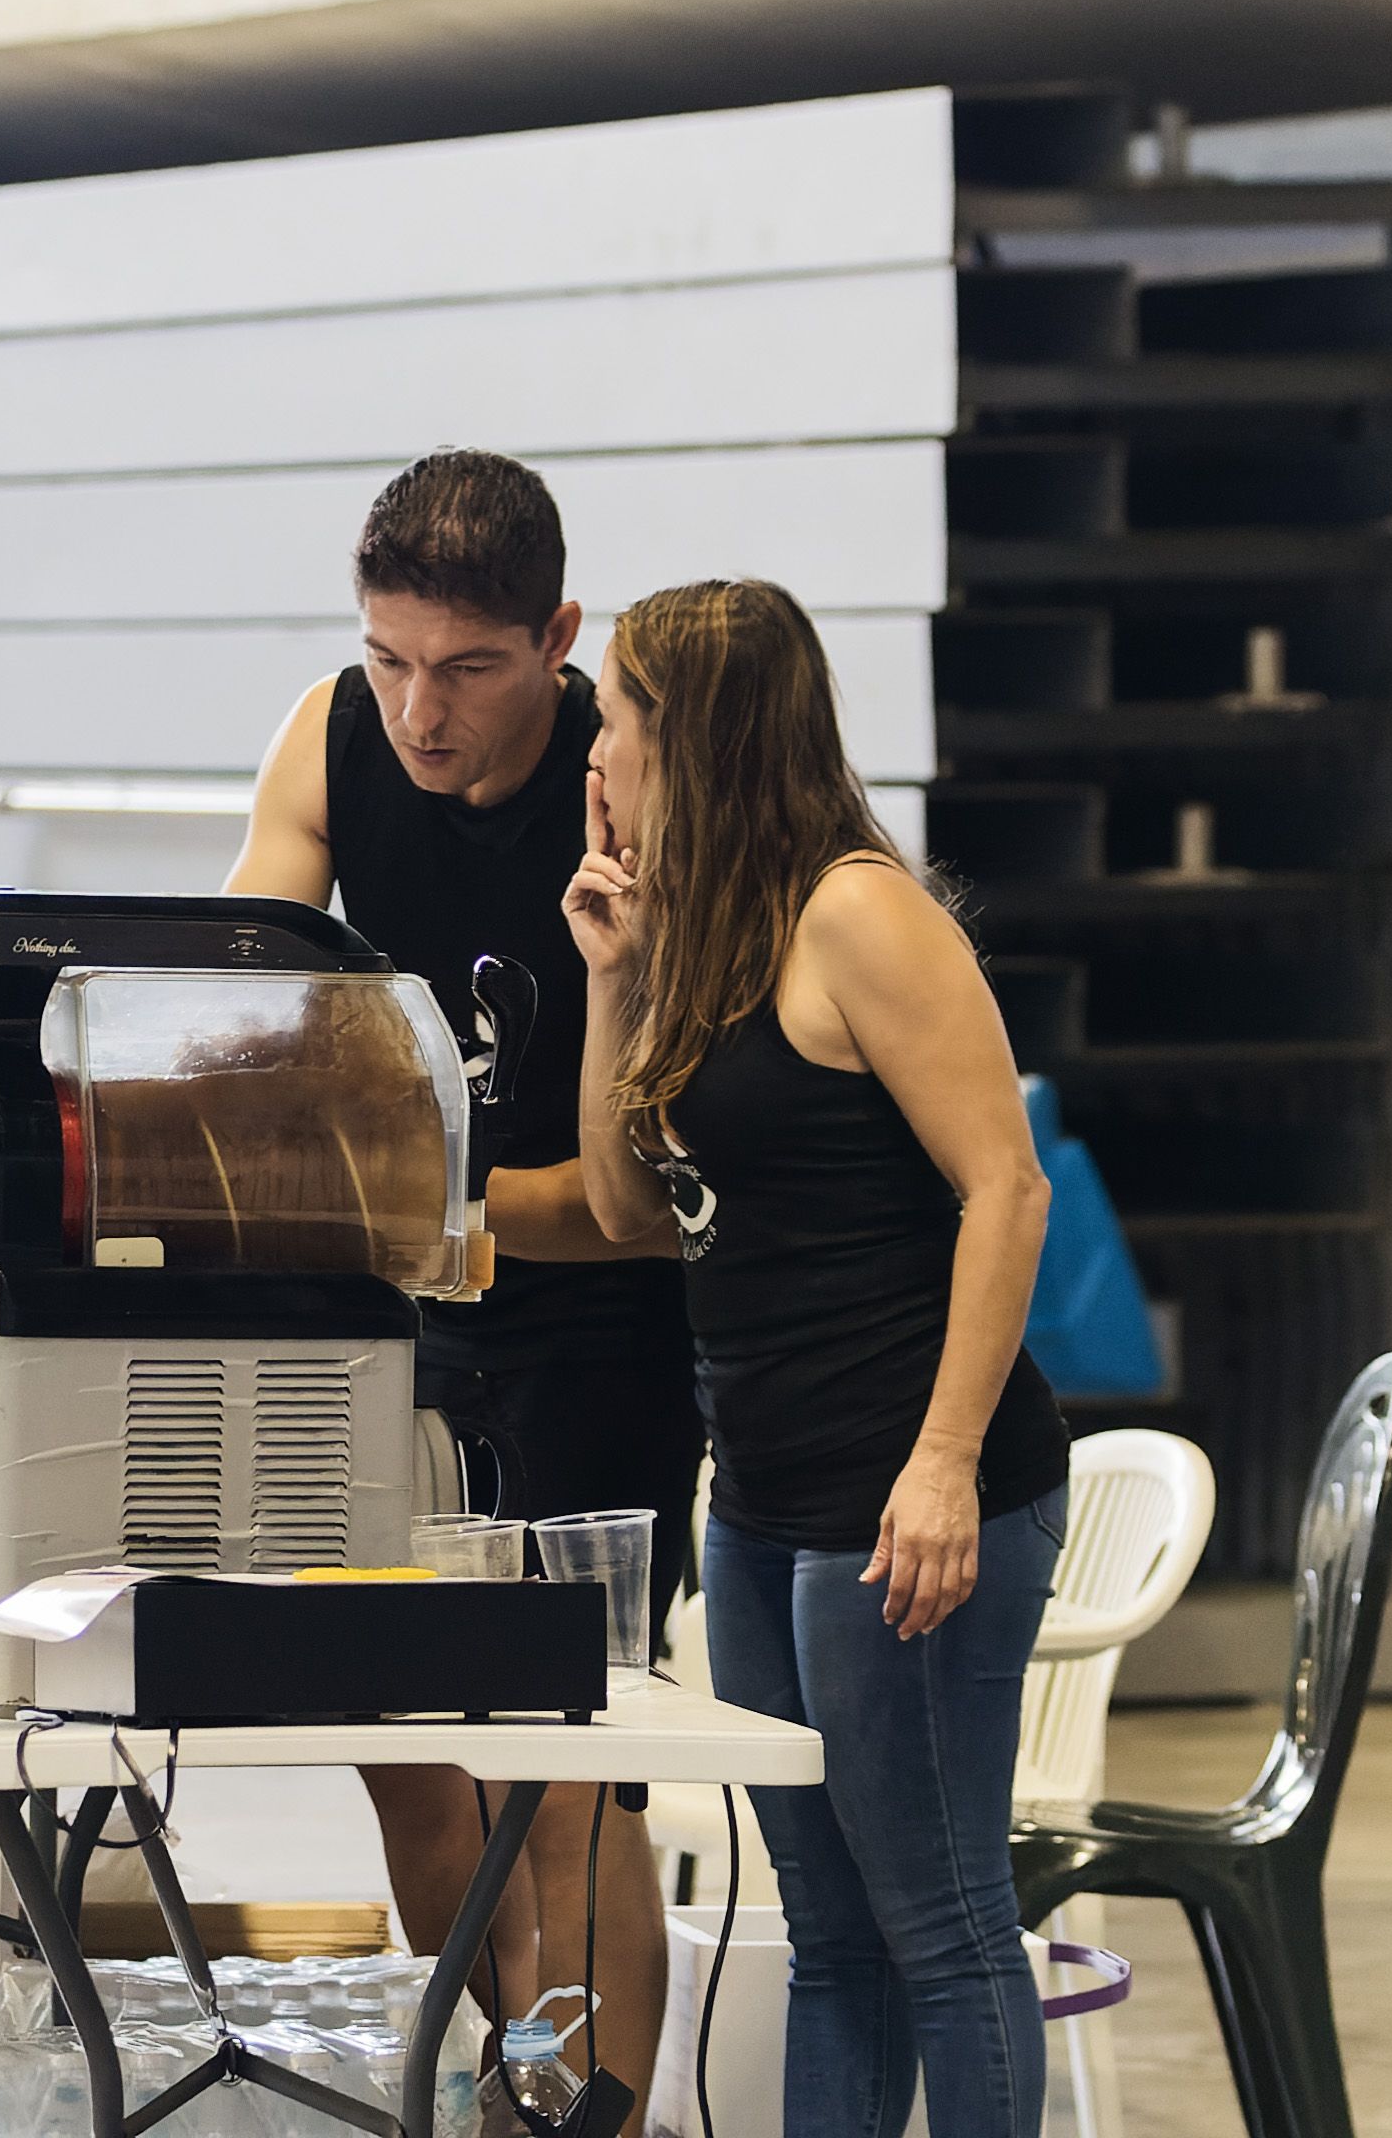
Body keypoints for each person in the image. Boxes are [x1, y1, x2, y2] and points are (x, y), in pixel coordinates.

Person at [562, 579, 1069, 2138]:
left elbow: (1008, 1185)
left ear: (690, 740)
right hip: (770, 1496)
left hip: (904, 1492)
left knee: (941, 1919)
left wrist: (943, 1464)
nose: (598, 754)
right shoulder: (707, 936)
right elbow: (625, 1207)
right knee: (832, 1936)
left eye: (617, 723)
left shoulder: (859, 915)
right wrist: (610, 977)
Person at [227, 448, 701, 2103]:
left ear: (559, 639)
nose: (421, 712)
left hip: (601, 1336)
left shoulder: (633, 781)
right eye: (391, 659)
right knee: (410, 1765)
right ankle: (496, 2092)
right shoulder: (331, 731)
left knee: (567, 1785)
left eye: (471, 669)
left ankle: (593, 2114)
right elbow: (233, 1022)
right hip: (393, 1329)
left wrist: (403, 1199)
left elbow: (632, 1208)